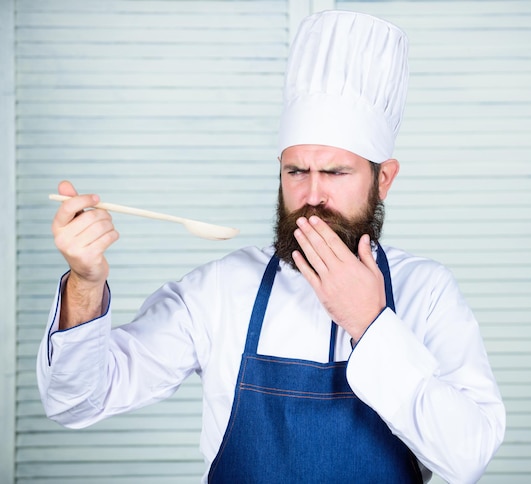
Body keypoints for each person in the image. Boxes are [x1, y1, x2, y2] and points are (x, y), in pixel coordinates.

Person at [37, 10, 505, 484]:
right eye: (296, 172)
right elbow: (76, 400)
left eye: (336, 173)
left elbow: (467, 457)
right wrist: (85, 283)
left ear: (383, 180)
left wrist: (370, 324)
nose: (313, 195)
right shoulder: (222, 289)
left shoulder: (425, 291)